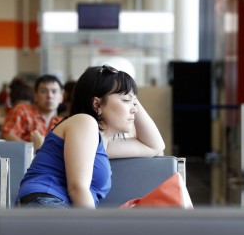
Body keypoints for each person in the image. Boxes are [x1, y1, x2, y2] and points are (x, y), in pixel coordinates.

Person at [15, 65, 165, 209]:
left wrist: (130, 94)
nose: (134, 110)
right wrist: (94, 229)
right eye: (126, 100)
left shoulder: (103, 144)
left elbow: (154, 146)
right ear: (97, 104)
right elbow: (77, 188)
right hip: (45, 202)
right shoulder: (84, 122)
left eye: (134, 102)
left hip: (56, 207)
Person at [0, 74, 64, 150]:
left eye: (54, 91)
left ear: (61, 96)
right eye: (44, 91)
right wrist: (31, 149)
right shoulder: (22, 111)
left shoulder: (62, 122)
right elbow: (7, 134)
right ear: (35, 96)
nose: (49, 96)